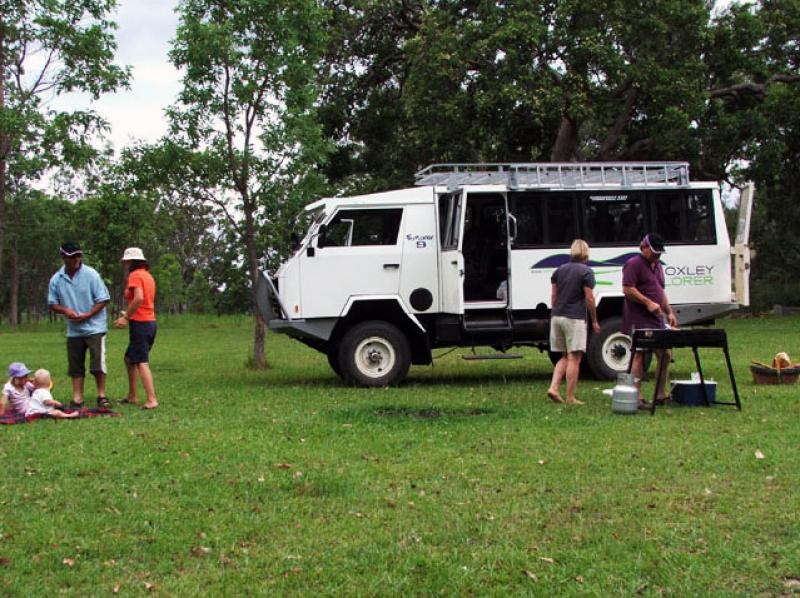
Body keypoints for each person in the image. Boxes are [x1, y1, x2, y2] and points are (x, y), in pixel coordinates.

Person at [48, 242, 112, 408]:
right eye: (72, 256)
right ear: (63, 258)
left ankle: (101, 395)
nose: (77, 259)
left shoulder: (91, 274)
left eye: (78, 255)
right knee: (75, 365)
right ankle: (77, 398)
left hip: (95, 327)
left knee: (98, 363)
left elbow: (103, 299)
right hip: (74, 330)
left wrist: (88, 314)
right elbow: (52, 303)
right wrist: (65, 310)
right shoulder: (56, 279)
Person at [622, 232, 678, 409]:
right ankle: (636, 396)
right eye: (654, 252)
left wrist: (669, 312)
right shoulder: (633, 264)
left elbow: (661, 292)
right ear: (643, 247)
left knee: (665, 354)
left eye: (659, 253)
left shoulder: (658, 266)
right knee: (640, 354)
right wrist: (647, 302)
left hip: (657, 318)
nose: (657, 256)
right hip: (639, 317)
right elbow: (627, 289)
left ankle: (660, 394)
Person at [547, 239, 600, 405]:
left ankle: (554, 388)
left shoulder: (559, 270)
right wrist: (595, 320)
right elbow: (589, 298)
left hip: (557, 316)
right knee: (574, 358)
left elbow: (554, 297)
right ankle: (570, 397)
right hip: (574, 318)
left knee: (564, 355)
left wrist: (557, 310)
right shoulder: (586, 272)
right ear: (586, 252)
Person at [114, 247, 158, 410]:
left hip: (141, 324)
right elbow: (144, 301)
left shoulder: (135, 275)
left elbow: (139, 297)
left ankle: (152, 399)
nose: (125, 265)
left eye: (126, 262)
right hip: (150, 322)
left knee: (141, 361)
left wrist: (126, 317)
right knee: (129, 358)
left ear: (132, 262)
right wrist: (130, 313)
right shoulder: (147, 276)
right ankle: (132, 395)